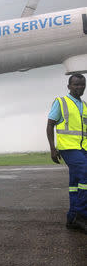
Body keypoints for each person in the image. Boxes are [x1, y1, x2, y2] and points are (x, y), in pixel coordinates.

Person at [46, 73, 87, 232]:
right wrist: (52, 148)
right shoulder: (61, 102)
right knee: (85, 174)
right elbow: (50, 125)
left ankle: (72, 218)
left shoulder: (84, 106)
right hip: (68, 148)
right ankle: (82, 216)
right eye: (76, 84)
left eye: (82, 85)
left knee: (75, 184)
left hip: (83, 148)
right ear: (69, 86)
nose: (80, 87)